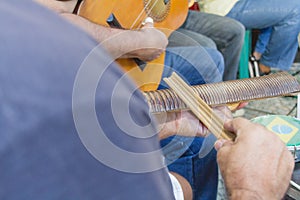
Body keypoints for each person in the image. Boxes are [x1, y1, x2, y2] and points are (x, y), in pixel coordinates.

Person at [0, 0, 295, 199]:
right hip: (114, 41)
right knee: (205, 59)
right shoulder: (48, 144)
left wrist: (152, 132)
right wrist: (252, 189)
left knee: (207, 69)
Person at [34, 1, 227, 199]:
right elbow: (51, 21)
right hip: (88, 66)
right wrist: (136, 42)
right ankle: (160, 179)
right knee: (207, 63)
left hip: (128, 33)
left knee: (209, 63)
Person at [204, 0, 300, 75]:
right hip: (223, 7)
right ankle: (268, 67)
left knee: (286, 5)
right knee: (295, 9)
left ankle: (259, 56)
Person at [168, 10, 245, 81]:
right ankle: (211, 92)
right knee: (208, 48)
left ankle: (229, 89)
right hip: (161, 27)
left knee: (237, 31)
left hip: (179, 12)